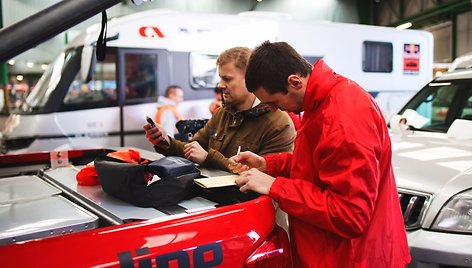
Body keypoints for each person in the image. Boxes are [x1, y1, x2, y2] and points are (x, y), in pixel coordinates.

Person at [228, 41, 410, 267]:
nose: (274, 109)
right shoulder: (321, 101)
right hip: (336, 253)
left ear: (294, 82)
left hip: (353, 258)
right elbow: (320, 165)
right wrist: (269, 164)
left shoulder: (343, 119)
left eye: (274, 102)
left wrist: (276, 187)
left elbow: (349, 215)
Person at [144, 46, 296, 171]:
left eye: (227, 79)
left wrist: (208, 158)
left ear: (250, 79)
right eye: (220, 78)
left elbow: (263, 177)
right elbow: (192, 148)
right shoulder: (222, 114)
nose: (220, 85)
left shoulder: (279, 124)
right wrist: (165, 141)